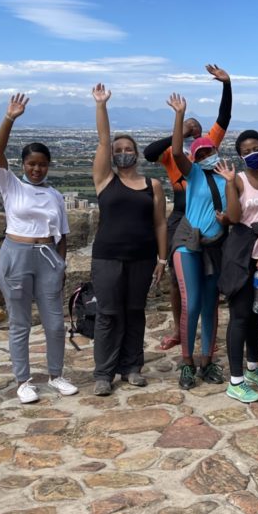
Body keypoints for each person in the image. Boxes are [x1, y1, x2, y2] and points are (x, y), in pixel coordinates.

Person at [0, 94, 78, 403]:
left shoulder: (55, 195)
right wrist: (10, 118)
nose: (36, 169)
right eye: (31, 164)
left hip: (47, 259)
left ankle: (56, 375)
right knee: (20, 323)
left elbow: (62, 235)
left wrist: (61, 264)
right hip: (16, 255)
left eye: (42, 165)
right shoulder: (12, 186)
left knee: (54, 324)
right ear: (23, 165)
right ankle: (23, 380)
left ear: (48, 166)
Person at [144, 65, 232, 351]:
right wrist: (180, 128)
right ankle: (180, 330)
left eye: (196, 127)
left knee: (209, 276)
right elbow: (149, 152)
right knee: (177, 275)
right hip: (181, 216)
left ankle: (206, 336)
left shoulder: (208, 145)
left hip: (209, 216)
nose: (194, 129)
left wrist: (226, 85)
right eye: (190, 128)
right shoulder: (174, 154)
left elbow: (224, 116)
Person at [90, 84, 168, 396]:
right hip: (108, 256)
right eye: (118, 149)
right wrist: (101, 105)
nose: (123, 152)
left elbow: (160, 223)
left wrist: (162, 259)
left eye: (128, 149)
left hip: (143, 257)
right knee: (108, 314)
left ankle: (132, 367)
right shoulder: (104, 179)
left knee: (135, 312)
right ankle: (104, 373)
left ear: (136, 153)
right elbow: (103, 140)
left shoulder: (153, 185)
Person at [166, 92, 233, 389]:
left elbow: (235, 212)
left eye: (210, 152)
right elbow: (176, 151)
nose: (207, 157)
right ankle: (187, 363)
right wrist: (180, 115)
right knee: (191, 302)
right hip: (188, 243)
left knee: (210, 305)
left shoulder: (228, 177)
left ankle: (207, 361)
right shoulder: (192, 174)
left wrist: (228, 216)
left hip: (214, 245)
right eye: (201, 154)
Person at [219, 130, 258, 402]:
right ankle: (235, 381)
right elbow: (234, 217)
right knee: (240, 316)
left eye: (256, 148)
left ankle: (253, 368)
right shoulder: (238, 180)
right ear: (240, 156)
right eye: (246, 152)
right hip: (241, 255)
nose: (252, 154)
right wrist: (229, 183)